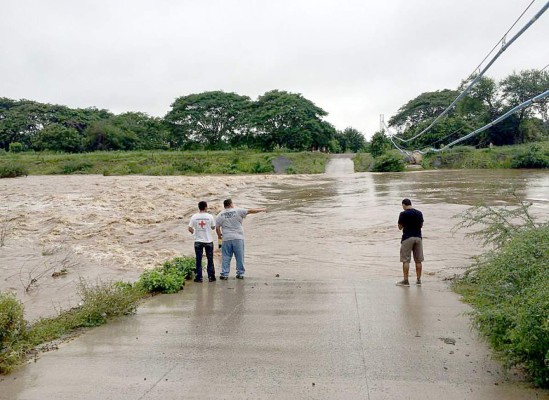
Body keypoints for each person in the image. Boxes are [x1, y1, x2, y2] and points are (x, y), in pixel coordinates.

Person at [215, 199, 266, 280]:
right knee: (239, 256)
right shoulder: (238, 211)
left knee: (226, 257)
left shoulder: (220, 215)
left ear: (224, 206)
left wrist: (219, 236)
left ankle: (224, 274)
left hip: (226, 239)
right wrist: (262, 209)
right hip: (238, 238)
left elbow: (217, 227)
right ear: (231, 204)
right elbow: (250, 211)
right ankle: (240, 273)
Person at [396, 198, 424, 287]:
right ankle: (418, 280)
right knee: (418, 260)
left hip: (407, 238)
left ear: (404, 205)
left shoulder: (403, 214)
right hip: (418, 238)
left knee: (406, 260)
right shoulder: (419, 213)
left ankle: (406, 281)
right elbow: (421, 225)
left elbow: (400, 227)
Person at [188, 201, 216, 283]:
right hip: (208, 240)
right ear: (206, 207)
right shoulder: (210, 216)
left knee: (198, 260)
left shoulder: (194, 216)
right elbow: (213, 227)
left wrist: (194, 233)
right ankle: (211, 277)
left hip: (198, 241)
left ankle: (199, 278)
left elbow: (189, 228)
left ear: (199, 207)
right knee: (210, 259)